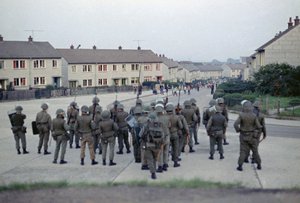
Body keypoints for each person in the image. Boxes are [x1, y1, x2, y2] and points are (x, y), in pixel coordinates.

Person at [234, 101, 262, 171]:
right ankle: (259, 165)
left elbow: (235, 124)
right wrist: (256, 132)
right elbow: (259, 126)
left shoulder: (241, 115)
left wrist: (238, 130)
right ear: (251, 108)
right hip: (252, 136)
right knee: (255, 151)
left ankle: (240, 166)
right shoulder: (254, 115)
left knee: (243, 151)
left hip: (243, 135)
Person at [140, 112, 165, 179]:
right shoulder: (160, 125)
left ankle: (153, 173)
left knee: (149, 159)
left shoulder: (146, 125)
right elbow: (163, 135)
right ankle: (154, 170)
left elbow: (140, 134)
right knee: (154, 159)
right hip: (158, 145)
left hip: (148, 145)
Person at [166, 103, 183, 167]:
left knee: (166, 149)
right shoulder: (176, 117)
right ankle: (175, 162)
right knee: (175, 148)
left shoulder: (165, 117)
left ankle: (166, 162)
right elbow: (181, 126)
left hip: (167, 135)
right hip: (175, 134)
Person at [155, 104, 171, 172]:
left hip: (159, 137)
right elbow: (169, 125)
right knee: (166, 151)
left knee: (160, 152)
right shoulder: (167, 117)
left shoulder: (155, 119)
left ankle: (160, 166)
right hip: (167, 135)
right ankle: (165, 164)